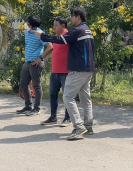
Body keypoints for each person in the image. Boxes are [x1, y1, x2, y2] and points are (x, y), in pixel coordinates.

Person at [33, 7, 95, 140]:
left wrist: (42, 36)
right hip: (88, 69)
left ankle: (79, 127)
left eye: (72, 16)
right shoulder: (87, 30)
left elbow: (60, 40)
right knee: (85, 98)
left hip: (79, 69)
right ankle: (88, 127)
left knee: (68, 97)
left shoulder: (77, 30)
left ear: (78, 17)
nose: (71, 18)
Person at [16, 15, 53, 116]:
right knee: (23, 84)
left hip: (35, 63)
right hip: (27, 62)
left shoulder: (39, 33)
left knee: (36, 86)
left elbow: (50, 46)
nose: (26, 25)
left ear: (32, 25)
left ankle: (36, 109)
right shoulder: (28, 33)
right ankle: (28, 106)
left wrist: (40, 59)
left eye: (28, 24)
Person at [40, 17, 71, 127]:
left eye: (56, 25)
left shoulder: (68, 36)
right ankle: (53, 117)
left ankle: (68, 118)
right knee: (53, 94)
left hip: (66, 72)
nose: (53, 27)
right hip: (55, 71)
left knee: (67, 96)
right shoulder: (56, 37)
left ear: (63, 26)